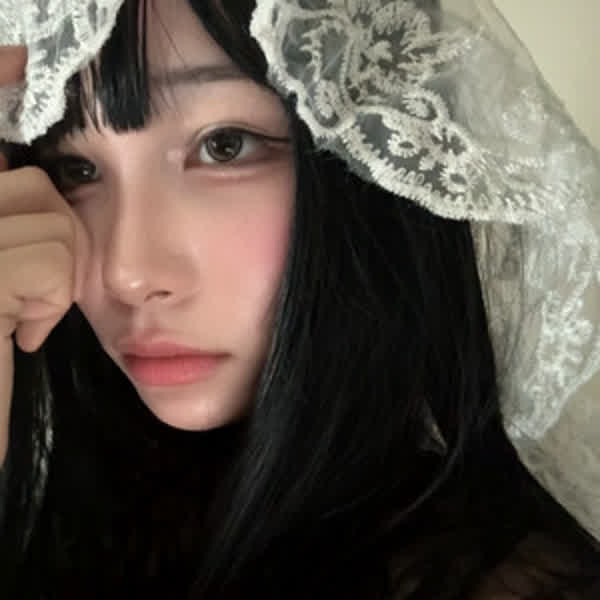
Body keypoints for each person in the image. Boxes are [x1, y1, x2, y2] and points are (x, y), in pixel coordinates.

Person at [0, 0, 599, 597]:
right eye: (76, 170)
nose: (126, 275)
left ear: (381, 159)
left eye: (225, 145)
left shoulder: (503, 583)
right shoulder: (96, 519)